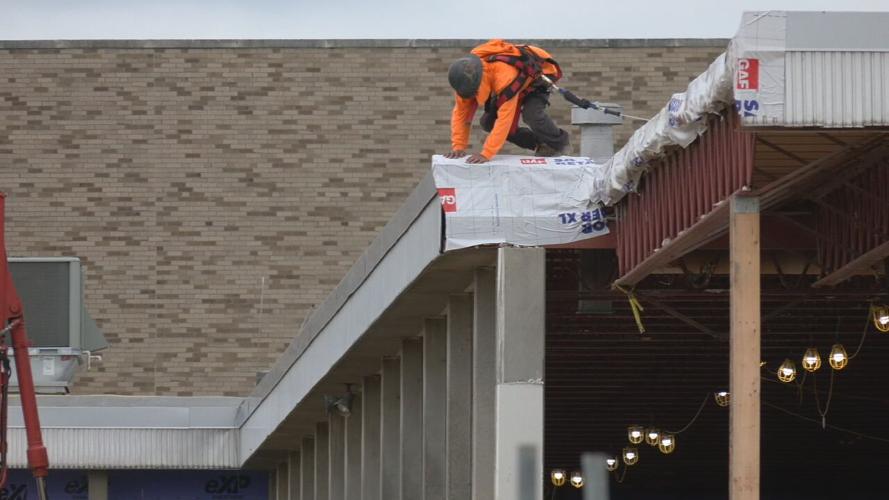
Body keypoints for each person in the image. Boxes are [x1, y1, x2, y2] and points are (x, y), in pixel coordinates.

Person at [444, 39, 570, 164]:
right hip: (516, 81)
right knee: (487, 122)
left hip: (539, 77)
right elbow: (461, 114)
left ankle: (558, 143)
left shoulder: (504, 78)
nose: (471, 98)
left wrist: (486, 153)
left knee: (531, 114)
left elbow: (505, 120)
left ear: (478, 86)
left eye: (473, 94)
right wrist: (458, 147)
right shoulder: (464, 81)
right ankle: (540, 145)